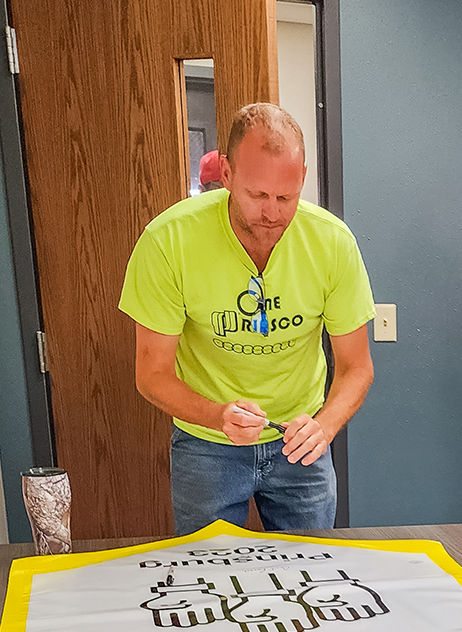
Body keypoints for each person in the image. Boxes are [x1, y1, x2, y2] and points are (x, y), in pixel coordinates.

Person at [119, 102, 375, 535]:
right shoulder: (168, 241)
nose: (272, 213)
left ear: (303, 180)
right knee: (209, 577)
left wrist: (323, 427)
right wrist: (218, 415)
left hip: (301, 443)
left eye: (286, 197)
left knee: (313, 574)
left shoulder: (332, 243)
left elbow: (357, 367)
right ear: (227, 173)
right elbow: (152, 373)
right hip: (207, 444)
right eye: (257, 195)